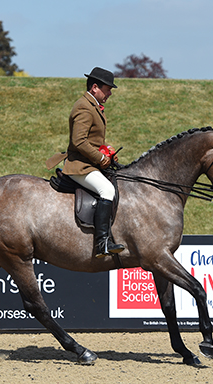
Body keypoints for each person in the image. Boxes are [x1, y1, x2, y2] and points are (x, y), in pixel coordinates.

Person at [62, 67, 125, 258]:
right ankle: (102, 243)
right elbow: (78, 141)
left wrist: (106, 151)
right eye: (108, 89)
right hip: (80, 165)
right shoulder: (84, 106)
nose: (110, 93)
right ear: (95, 87)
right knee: (107, 191)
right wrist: (100, 158)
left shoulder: (92, 105)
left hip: (89, 162)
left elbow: (91, 139)